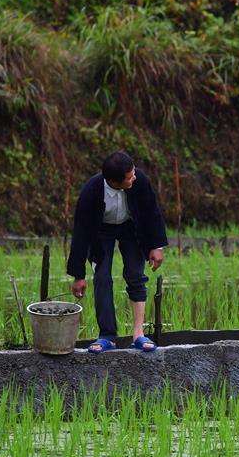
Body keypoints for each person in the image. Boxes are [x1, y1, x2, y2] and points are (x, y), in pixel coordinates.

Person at [67, 151, 167, 352]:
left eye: (133, 173)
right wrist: (78, 274)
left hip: (131, 227)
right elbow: (81, 232)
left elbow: (151, 212)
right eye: (129, 177)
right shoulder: (91, 191)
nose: (134, 177)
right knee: (102, 277)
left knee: (135, 274)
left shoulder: (140, 181)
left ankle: (138, 334)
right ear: (113, 181)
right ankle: (107, 336)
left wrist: (156, 246)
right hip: (101, 231)